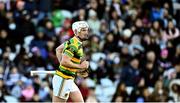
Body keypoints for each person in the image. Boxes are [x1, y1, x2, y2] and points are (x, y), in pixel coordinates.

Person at [52, 21, 90, 102]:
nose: (86, 32)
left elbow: (58, 50)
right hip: (63, 79)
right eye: (83, 30)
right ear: (76, 32)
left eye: (87, 30)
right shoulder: (73, 45)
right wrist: (80, 66)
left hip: (69, 79)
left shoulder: (75, 42)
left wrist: (74, 69)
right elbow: (64, 62)